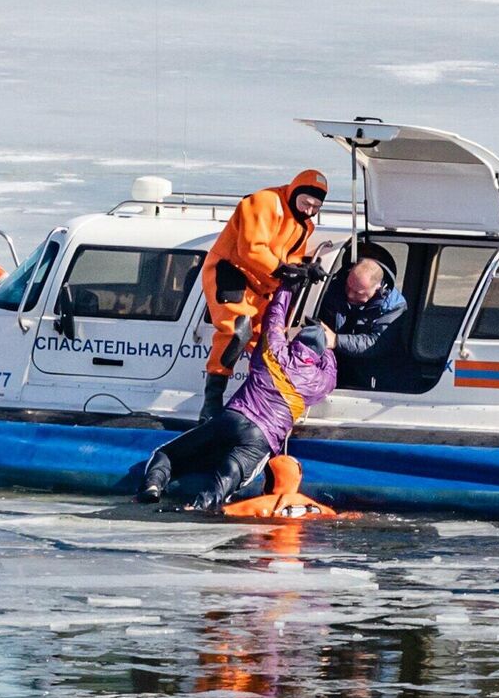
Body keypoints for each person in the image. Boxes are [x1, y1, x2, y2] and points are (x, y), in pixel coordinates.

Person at [138, 283, 337, 511]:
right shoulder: (320, 382)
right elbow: (332, 372)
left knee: (166, 453)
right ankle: (200, 507)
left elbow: (274, 317)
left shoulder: (275, 351)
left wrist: (286, 288)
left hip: (233, 417)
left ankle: (152, 487)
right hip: (262, 436)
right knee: (230, 474)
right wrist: (328, 348)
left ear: (296, 340)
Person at [198, 168, 331, 420]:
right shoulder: (264, 202)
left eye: (315, 207)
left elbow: (291, 257)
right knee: (236, 331)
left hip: (264, 284)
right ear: (294, 191)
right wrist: (282, 269)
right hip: (231, 271)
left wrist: (305, 269)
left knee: (266, 342)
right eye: (305, 203)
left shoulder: (305, 225)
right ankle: (211, 404)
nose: (309, 210)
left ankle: (257, 399)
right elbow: (250, 248)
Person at [320, 257, 407, 388]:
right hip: (333, 365)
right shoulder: (335, 286)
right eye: (348, 287)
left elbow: (377, 343)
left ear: (378, 287)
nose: (349, 295)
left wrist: (336, 340)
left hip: (372, 371)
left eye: (358, 293)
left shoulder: (394, 307)